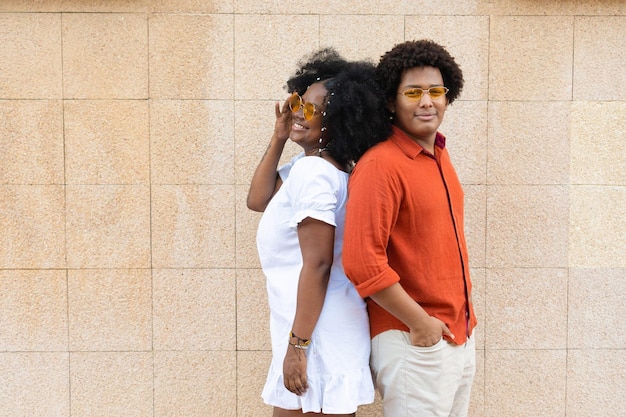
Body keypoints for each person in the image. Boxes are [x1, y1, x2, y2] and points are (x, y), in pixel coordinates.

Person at [247, 48, 391, 417]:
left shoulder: (314, 174)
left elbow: (320, 263)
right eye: (298, 101)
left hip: (315, 332)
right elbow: (258, 199)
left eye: (311, 109)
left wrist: (298, 346)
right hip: (316, 326)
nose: (297, 112)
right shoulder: (315, 167)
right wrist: (279, 138)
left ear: (337, 122)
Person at [342, 39, 478, 417]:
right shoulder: (381, 165)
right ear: (390, 101)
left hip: (457, 336)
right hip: (414, 341)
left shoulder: (439, 154)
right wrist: (422, 325)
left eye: (436, 91)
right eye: (413, 92)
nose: (426, 101)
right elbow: (361, 262)